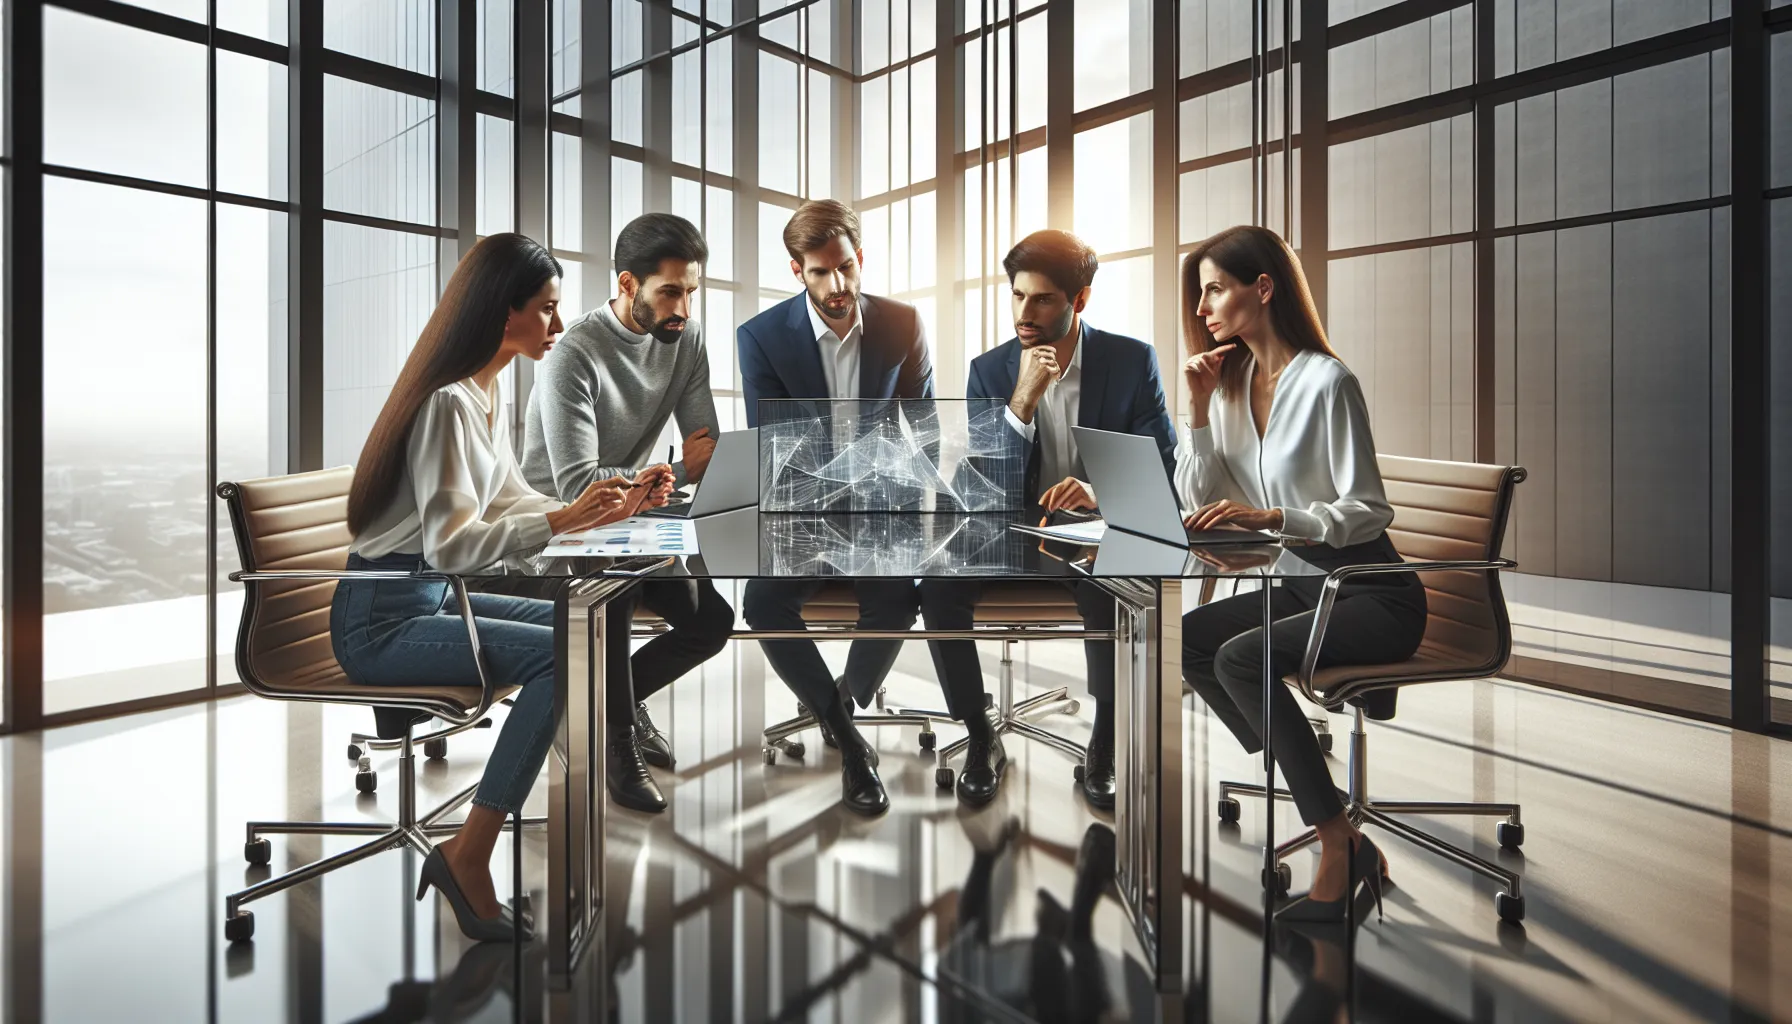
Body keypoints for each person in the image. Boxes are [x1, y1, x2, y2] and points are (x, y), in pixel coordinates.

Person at [332, 233, 674, 943]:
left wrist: (609, 507)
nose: (559, 324)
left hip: (429, 599)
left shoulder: (483, 395)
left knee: (580, 627)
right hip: (382, 620)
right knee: (559, 655)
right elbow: (453, 544)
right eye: (546, 309)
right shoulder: (447, 406)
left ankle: (515, 821)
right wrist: (563, 519)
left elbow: (512, 500)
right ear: (502, 310)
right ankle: (470, 853)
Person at [1176, 224, 1425, 924]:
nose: (1203, 308)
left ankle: (1336, 841)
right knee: (1189, 643)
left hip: (1370, 591)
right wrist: (1198, 411)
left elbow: (1368, 509)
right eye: (1200, 294)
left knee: (1239, 659)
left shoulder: (1327, 382)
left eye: (1216, 289)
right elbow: (1199, 498)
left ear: (1263, 288)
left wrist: (1274, 518)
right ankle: (1311, 782)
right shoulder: (1230, 385)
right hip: (1297, 586)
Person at [919, 230, 1176, 810]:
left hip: (1095, 535)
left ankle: (1104, 741)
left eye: (1042, 299)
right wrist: (1022, 403)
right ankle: (980, 733)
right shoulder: (990, 371)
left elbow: (1163, 466)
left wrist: (1099, 491)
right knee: (937, 585)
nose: (1024, 313)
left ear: (1079, 300)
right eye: (1017, 296)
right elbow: (982, 491)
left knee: (1113, 586)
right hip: (1011, 534)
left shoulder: (1130, 362)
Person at [521, 213, 735, 812]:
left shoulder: (685, 340)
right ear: (627, 284)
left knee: (711, 622)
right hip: (559, 532)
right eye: (670, 292)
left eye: (691, 292)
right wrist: (671, 472)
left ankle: (610, 701)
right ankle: (617, 743)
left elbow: (707, 449)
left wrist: (671, 476)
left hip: (635, 519)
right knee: (612, 592)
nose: (683, 309)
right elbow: (577, 485)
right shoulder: (573, 355)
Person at [736, 199, 935, 817]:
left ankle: (838, 704)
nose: (837, 284)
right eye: (820, 272)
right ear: (798, 271)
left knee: (898, 599)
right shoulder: (761, 338)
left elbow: (923, 428)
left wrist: (902, 501)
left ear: (860, 258)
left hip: (882, 509)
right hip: (806, 511)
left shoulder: (902, 323)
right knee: (762, 603)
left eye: (846, 267)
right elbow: (776, 445)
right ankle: (851, 745)